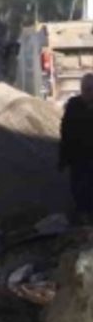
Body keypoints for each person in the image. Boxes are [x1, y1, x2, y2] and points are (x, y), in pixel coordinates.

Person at [60, 73, 93, 224]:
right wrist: (63, 157)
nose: (88, 93)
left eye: (91, 89)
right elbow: (65, 131)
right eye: (86, 89)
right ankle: (83, 215)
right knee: (80, 187)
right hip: (79, 156)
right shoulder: (73, 105)